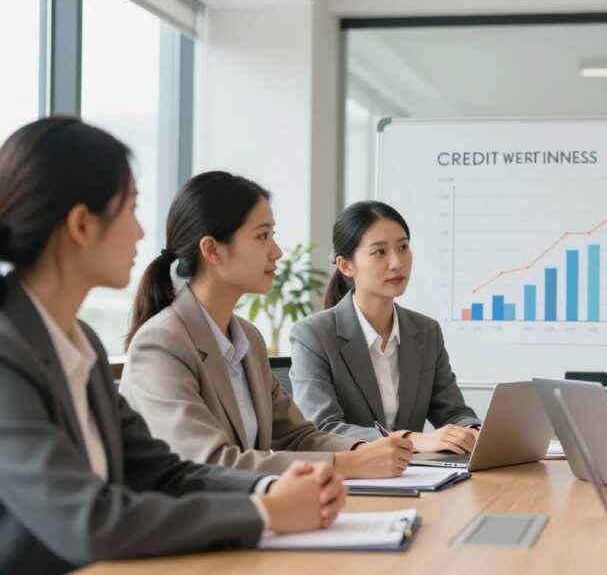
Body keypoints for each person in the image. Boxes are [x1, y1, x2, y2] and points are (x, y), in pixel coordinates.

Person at [0, 117, 344, 575]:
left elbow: (166, 473)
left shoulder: (79, 342)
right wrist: (266, 513)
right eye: (130, 209)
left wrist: (265, 490)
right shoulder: (8, 353)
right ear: (82, 224)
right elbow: (90, 519)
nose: (142, 233)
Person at [121, 172, 413, 478]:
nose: (277, 251)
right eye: (262, 236)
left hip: (246, 515)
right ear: (212, 250)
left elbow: (298, 437)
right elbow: (208, 462)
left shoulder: (246, 338)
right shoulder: (161, 343)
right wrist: (346, 464)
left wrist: (365, 451)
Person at [290, 201, 481, 453]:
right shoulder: (313, 334)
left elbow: (453, 411)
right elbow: (324, 428)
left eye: (403, 247)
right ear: (346, 265)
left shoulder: (426, 331)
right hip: (352, 481)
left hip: (419, 478)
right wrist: (411, 439)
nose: (397, 263)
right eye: (380, 252)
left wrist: (472, 432)